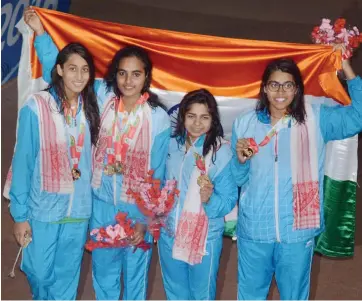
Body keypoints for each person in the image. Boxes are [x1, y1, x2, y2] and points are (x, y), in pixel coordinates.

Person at [23, 7, 171, 300]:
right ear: (115, 75)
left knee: (135, 278)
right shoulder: (101, 97)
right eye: (123, 74)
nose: (128, 81)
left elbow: (157, 173)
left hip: (135, 209)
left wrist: (146, 219)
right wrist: (41, 34)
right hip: (100, 205)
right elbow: (62, 73)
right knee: (103, 277)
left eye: (136, 75)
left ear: (146, 77)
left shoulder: (157, 118)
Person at [231, 45, 362, 300]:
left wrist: (345, 66)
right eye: (274, 85)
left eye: (288, 85)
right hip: (255, 230)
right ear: (264, 88)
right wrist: (240, 161)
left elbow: (358, 116)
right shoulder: (245, 123)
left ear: (297, 89)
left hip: (297, 231)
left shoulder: (316, 119)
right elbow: (238, 178)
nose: (280, 92)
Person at [4, 32, 100, 299]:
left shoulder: (92, 106)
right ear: (59, 70)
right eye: (71, 69)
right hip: (42, 210)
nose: (79, 76)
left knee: (68, 278)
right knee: (38, 272)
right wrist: (20, 215)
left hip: (78, 211)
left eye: (85, 70)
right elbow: (23, 163)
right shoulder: (37, 107)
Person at [158, 88, 238, 300]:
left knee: (202, 293)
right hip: (169, 233)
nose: (197, 123)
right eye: (191, 116)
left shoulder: (221, 152)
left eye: (204, 117)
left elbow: (229, 200)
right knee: (175, 291)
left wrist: (210, 199)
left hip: (204, 237)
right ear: (182, 116)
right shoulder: (170, 145)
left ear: (213, 119)